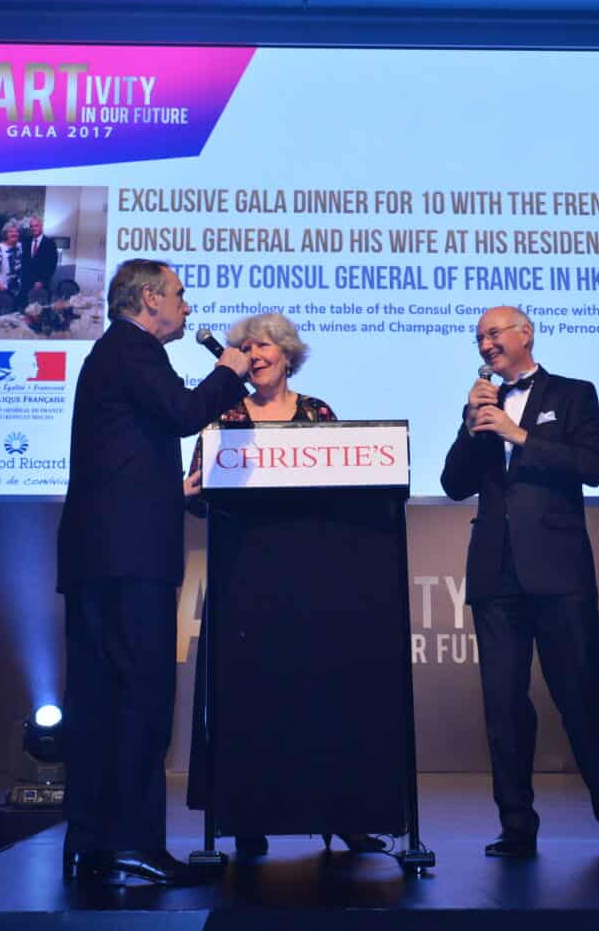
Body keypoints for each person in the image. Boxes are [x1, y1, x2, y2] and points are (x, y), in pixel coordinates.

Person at [57, 259, 251, 886]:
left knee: (99, 701)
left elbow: (126, 456)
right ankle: (135, 845)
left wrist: (174, 491)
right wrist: (229, 372)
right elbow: (184, 412)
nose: (187, 307)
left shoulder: (114, 353)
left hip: (100, 556)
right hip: (130, 560)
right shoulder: (134, 350)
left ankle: (91, 844)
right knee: (141, 699)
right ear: (149, 299)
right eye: (179, 295)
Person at [439, 306, 599, 860]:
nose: (485, 344)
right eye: (479, 337)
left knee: (581, 698)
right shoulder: (481, 405)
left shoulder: (574, 394)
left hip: (558, 571)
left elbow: (592, 467)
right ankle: (516, 827)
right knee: (503, 707)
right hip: (495, 574)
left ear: (524, 334)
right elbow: (453, 484)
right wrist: (473, 425)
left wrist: (519, 434)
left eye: (493, 333)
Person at [180, 312, 385, 857]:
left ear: (288, 355)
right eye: (245, 348)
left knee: (325, 696)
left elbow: (346, 487)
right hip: (243, 577)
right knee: (247, 697)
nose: (254, 354)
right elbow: (200, 497)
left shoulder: (318, 413)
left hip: (314, 578)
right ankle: (247, 815)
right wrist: (189, 495)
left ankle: (342, 814)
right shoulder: (223, 415)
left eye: (264, 346)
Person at [21, 216, 58, 303]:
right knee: (25, 307)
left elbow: (52, 265)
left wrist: (42, 281)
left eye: (36, 226)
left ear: (41, 226)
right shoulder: (26, 241)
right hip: (26, 283)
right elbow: (24, 262)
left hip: (41, 284)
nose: (34, 228)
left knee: (40, 308)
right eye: (32, 226)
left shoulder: (50, 243)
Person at [0, 222, 23, 298]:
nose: (14, 233)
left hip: (19, 285)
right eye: (11, 231)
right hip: (4, 286)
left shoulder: (20, 246)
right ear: (6, 234)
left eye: (16, 231)